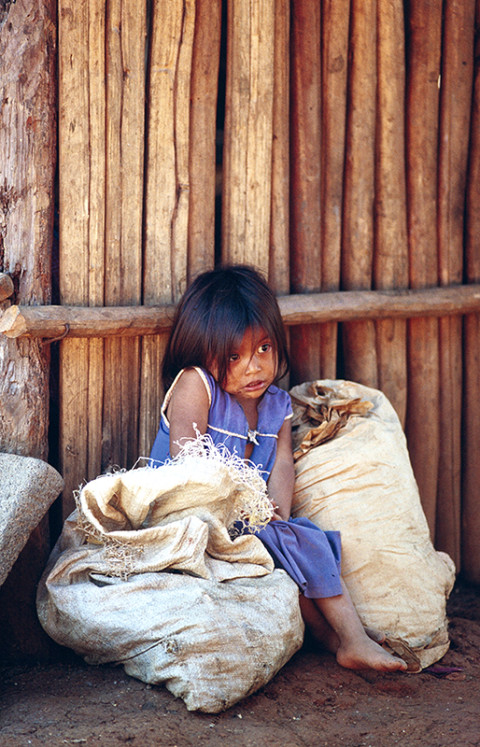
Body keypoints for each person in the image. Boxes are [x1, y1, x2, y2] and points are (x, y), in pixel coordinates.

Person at [150, 265, 407, 673]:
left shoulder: (277, 406)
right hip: (191, 510)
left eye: (264, 349)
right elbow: (186, 460)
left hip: (247, 517)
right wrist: (230, 511)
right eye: (235, 355)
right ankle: (337, 638)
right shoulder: (195, 384)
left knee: (302, 540)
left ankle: (349, 639)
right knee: (281, 546)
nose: (254, 367)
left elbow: (282, 463)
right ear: (202, 349)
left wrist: (278, 511)